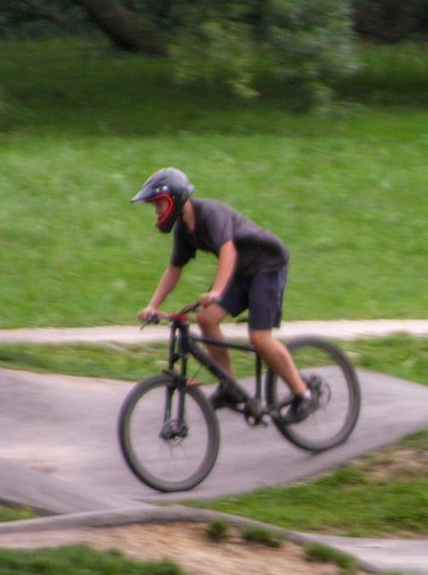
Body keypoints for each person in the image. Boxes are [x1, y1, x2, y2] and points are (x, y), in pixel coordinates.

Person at [131, 167, 312, 420]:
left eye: (158, 204)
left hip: (266, 266)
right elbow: (174, 269)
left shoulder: (210, 213)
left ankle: (303, 394)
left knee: (260, 338)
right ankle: (231, 388)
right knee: (206, 319)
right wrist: (152, 306)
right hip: (241, 272)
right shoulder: (184, 229)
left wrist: (216, 291)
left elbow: (229, 252)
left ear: (174, 199)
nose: (157, 211)